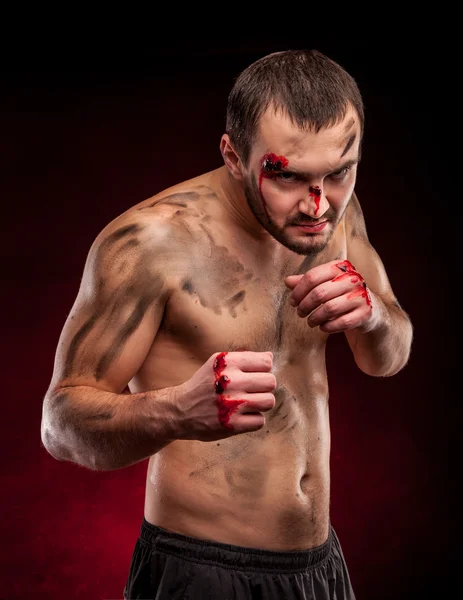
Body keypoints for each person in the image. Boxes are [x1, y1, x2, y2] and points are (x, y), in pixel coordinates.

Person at [40, 48, 413, 599]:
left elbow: (387, 358)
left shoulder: (338, 214)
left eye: (339, 172)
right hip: (201, 569)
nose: (317, 206)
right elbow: (60, 424)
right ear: (234, 156)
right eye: (287, 177)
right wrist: (175, 410)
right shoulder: (151, 243)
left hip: (321, 565)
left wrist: (375, 316)